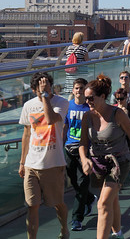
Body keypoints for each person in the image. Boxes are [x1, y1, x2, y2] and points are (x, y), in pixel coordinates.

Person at [79, 74, 130, 239]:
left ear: (103, 97)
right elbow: (82, 143)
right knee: (111, 200)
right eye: (86, 99)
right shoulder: (87, 117)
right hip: (97, 162)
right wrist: (85, 159)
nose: (88, 102)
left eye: (91, 98)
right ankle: (118, 233)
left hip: (119, 162)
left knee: (103, 204)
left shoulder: (117, 114)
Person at [19, 72, 70, 239]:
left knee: (57, 203)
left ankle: (64, 229)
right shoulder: (28, 105)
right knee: (31, 206)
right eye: (40, 88)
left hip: (53, 164)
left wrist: (46, 97)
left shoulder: (61, 102)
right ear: (34, 90)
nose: (44, 89)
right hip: (31, 164)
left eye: (47, 85)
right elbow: (27, 134)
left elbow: (50, 119)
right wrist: (22, 162)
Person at [64, 78, 96, 232]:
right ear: (73, 90)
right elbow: (65, 128)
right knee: (74, 181)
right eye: (76, 88)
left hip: (86, 151)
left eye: (81, 88)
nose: (79, 91)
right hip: (70, 149)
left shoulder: (90, 108)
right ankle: (89, 199)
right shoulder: (67, 106)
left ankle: (77, 219)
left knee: (82, 183)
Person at [113, 88, 130, 185]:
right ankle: (123, 177)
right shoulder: (115, 108)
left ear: (126, 98)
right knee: (123, 156)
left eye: (121, 99)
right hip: (119, 136)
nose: (119, 101)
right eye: (117, 99)